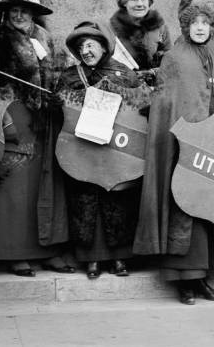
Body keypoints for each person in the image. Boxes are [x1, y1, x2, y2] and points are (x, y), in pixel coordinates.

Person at [133, 0, 214, 305]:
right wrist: (185, 136)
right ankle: (185, 281)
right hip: (183, 147)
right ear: (185, 25)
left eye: (205, 23)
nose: (199, 28)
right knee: (185, 211)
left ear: (212, 26)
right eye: (194, 23)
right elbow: (168, 103)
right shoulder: (174, 58)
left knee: (212, 210)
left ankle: (206, 277)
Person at [0, 0, 72, 277]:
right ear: (6, 13)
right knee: (15, 185)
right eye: (14, 10)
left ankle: (46, 250)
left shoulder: (45, 38)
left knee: (45, 184)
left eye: (26, 10)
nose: (20, 15)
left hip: (45, 119)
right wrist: (3, 115)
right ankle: (14, 252)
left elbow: (60, 71)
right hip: (13, 116)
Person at [57, 21, 147, 279]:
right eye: (80, 46)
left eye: (90, 44)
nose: (85, 50)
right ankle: (92, 259)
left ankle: (119, 258)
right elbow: (59, 109)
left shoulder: (125, 74)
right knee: (86, 202)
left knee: (118, 200)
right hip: (83, 150)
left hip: (117, 150)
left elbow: (142, 106)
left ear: (104, 45)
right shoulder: (70, 76)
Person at [109, 0, 172, 80]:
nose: (140, 4)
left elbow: (170, 60)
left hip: (154, 88)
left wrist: (153, 73)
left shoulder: (159, 27)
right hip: (122, 87)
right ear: (124, 3)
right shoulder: (111, 29)